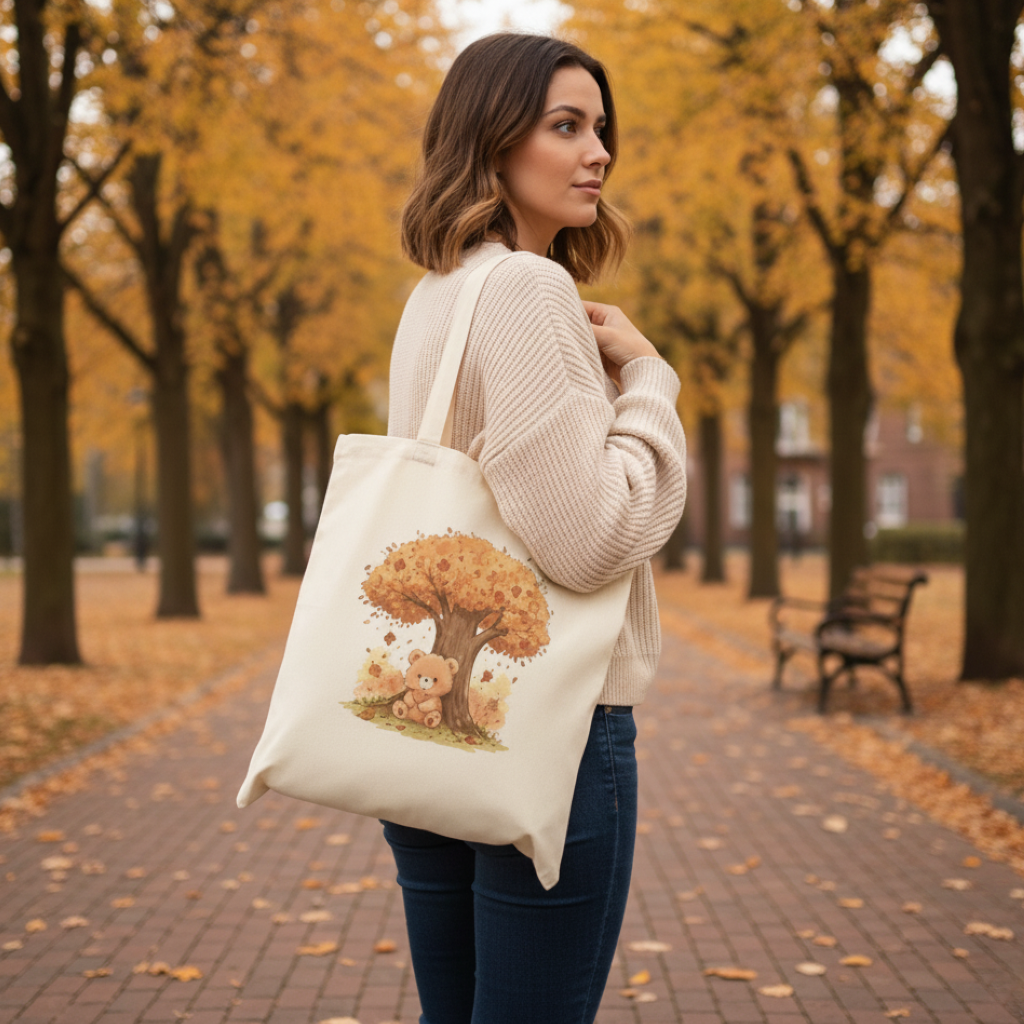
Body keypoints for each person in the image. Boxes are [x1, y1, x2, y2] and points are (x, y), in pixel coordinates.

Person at [382, 32, 687, 1024]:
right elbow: (593, 539)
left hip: (427, 716)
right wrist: (649, 381)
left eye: (600, 128)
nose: (597, 151)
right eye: (566, 126)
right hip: (543, 726)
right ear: (494, 140)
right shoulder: (525, 289)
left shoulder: (438, 294)